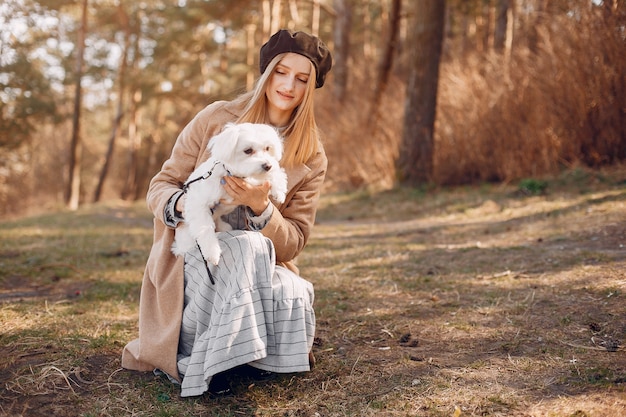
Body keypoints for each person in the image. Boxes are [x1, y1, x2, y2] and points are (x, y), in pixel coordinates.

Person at [121, 29, 332, 397]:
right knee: (243, 248)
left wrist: (260, 205)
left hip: (257, 265)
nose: (289, 86)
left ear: (311, 87)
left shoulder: (311, 154)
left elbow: (294, 242)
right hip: (196, 258)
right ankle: (219, 365)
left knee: (293, 286)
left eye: (302, 79)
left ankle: (245, 358)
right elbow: (161, 185)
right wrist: (189, 204)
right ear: (267, 72)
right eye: (282, 72)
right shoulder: (217, 119)